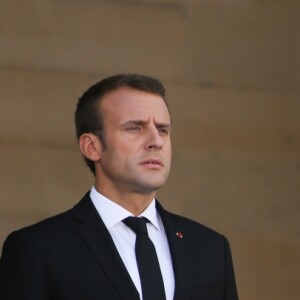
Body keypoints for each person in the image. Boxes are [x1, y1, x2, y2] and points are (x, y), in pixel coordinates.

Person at [0, 74, 239, 300]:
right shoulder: (38, 249)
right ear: (91, 146)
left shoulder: (211, 249)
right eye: (135, 128)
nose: (156, 141)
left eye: (163, 130)